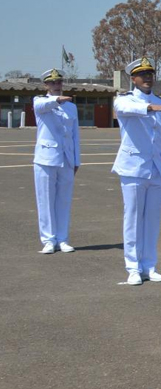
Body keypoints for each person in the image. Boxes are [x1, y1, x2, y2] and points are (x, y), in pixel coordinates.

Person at [112, 57, 161, 284]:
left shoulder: (160, 102)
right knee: (133, 218)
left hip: (156, 169)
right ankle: (133, 267)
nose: (147, 78)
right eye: (142, 74)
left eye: (150, 74)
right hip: (133, 168)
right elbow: (123, 109)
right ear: (133, 79)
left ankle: (149, 265)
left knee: (152, 220)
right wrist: (148, 108)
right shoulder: (125, 100)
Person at [32, 68, 80, 255]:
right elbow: (42, 106)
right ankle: (48, 239)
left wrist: (76, 159)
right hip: (46, 158)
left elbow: (75, 135)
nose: (56, 85)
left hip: (66, 158)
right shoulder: (40, 101)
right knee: (45, 201)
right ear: (46, 85)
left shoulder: (71, 107)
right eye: (52, 83)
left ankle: (62, 238)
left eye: (59, 82)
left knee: (63, 201)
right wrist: (58, 99)